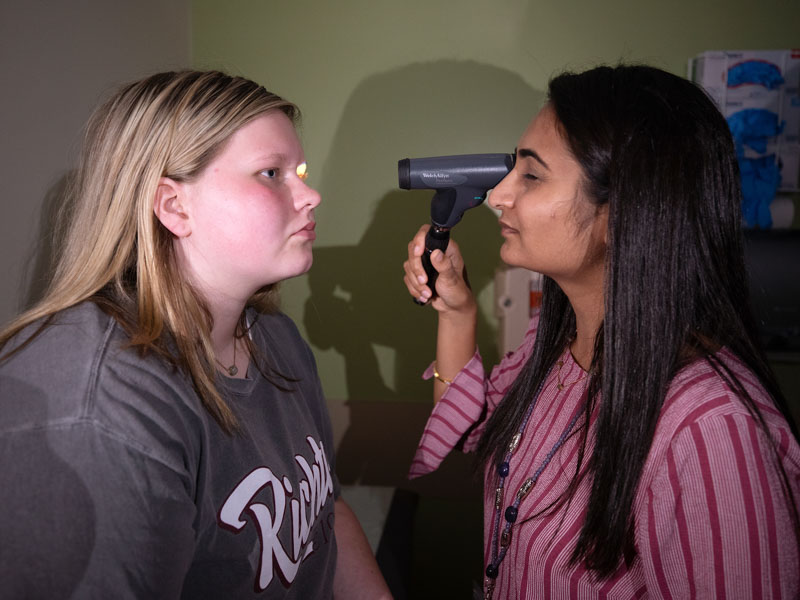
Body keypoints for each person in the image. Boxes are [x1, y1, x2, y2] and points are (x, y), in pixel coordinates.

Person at [403, 64, 800, 599]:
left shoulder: (710, 434)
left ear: (621, 214)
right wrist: (457, 313)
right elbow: (477, 434)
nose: (498, 196)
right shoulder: (560, 341)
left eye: (531, 176)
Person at [0, 70, 391, 599]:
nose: (310, 194)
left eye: (298, 170)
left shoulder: (274, 336)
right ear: (173, 207)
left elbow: (327, 511)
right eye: (271, 173)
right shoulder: (100, 410)